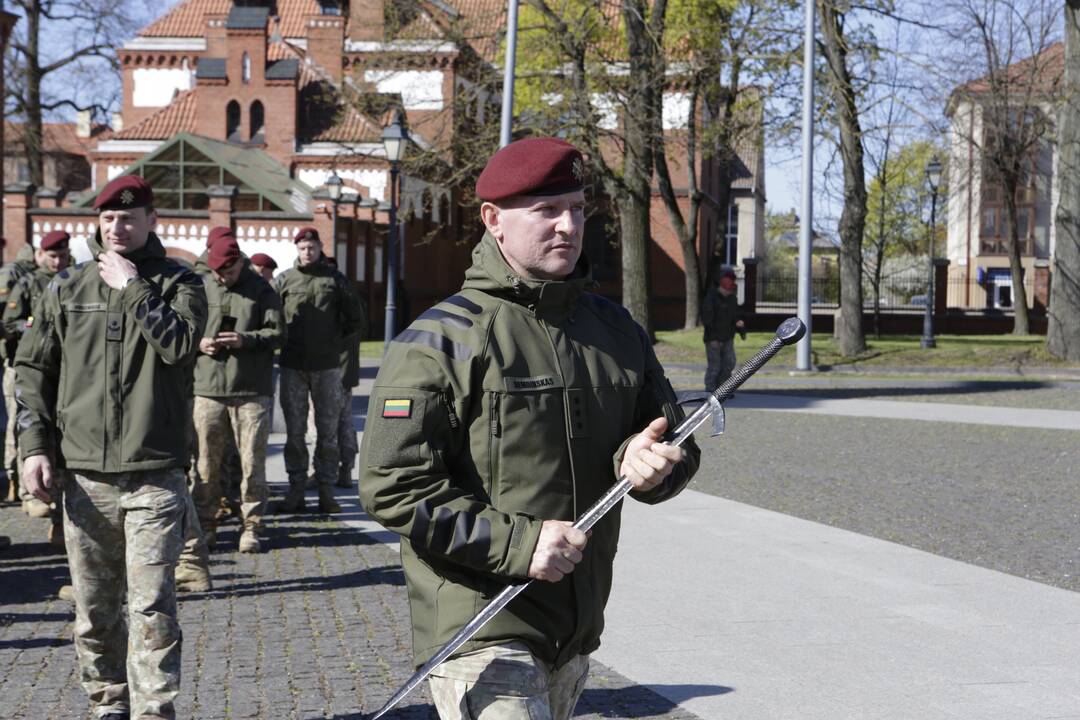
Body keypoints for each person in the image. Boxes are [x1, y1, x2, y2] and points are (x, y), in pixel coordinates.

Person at [358, 137, 700, 720]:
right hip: (481, 622)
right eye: (546, 211)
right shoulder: (439, 341)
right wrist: (520, 543)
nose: (567, 225)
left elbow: (674, 442)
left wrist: (650, 466)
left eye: (576, 208)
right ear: (493, 220)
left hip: (575, 625)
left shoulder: (617, 332)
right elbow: (392, 486)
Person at [15, 175, 208, 720]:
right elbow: (34, 370)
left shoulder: (179, 284)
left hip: (155, 476)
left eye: (128, 217)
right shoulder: (67, 288)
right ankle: (107, 706)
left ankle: (153, 713)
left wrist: (132, 287)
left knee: (151, 608)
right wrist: (34, 446)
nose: (117, 227)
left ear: (152, 222)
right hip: (84, 478)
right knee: (96, 613)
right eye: (107, 219)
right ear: (97, 224)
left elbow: (178, 346)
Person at [191, 234, 284, 553]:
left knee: (252, 463)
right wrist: (199, 342)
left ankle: (251, 526)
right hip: (208, 389)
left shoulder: (261, 290)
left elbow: (277, 333)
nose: (221, 277)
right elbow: (183, 327)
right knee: (206, 464)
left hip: (251, 391)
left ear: (239, 264)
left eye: (227, 272)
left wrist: (246, 340)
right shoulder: (201, 285)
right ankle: (206, 524)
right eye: (217, 272)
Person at [274, 227, 366, 514]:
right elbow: (272, 317)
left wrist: (332, 342)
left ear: (319, 247)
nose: (307, 251)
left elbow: (355, 318)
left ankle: (326, 491)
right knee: (295, 432)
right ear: (297, 249)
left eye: (311, 246)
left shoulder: (335, 280)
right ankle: (296, 489)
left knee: (327, 432)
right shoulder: (284, 281)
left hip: (327, 367)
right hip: (293, 366)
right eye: (302, 247)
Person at [2, 229, 71, 545]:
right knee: (29, 430)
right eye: (53, 256)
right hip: (31, 368)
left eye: (63, 256)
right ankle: (31, 491)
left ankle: (62, 516)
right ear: (43, 255)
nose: (58, 262)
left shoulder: (74, 281)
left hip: (68, 374)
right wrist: (32, 325)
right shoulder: (30, 282)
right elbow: (8, 322)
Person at [0, 238, 39, 506]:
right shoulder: (16, 275)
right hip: (15, 361)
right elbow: (8, 318)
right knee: (15, 420)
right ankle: (13, 478)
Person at [701, 265, 745, 392]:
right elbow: (708, 320)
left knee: (729, 363)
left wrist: (739, 324)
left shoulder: (731, 298)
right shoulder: (711, 298)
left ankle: (723, 389)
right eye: (726, 288)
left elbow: (735, 314)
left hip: (727, 337)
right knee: (715, 365)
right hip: (713, 339)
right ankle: (710, 390)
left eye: (730, 288)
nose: (728, 291)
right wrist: (713, 338)